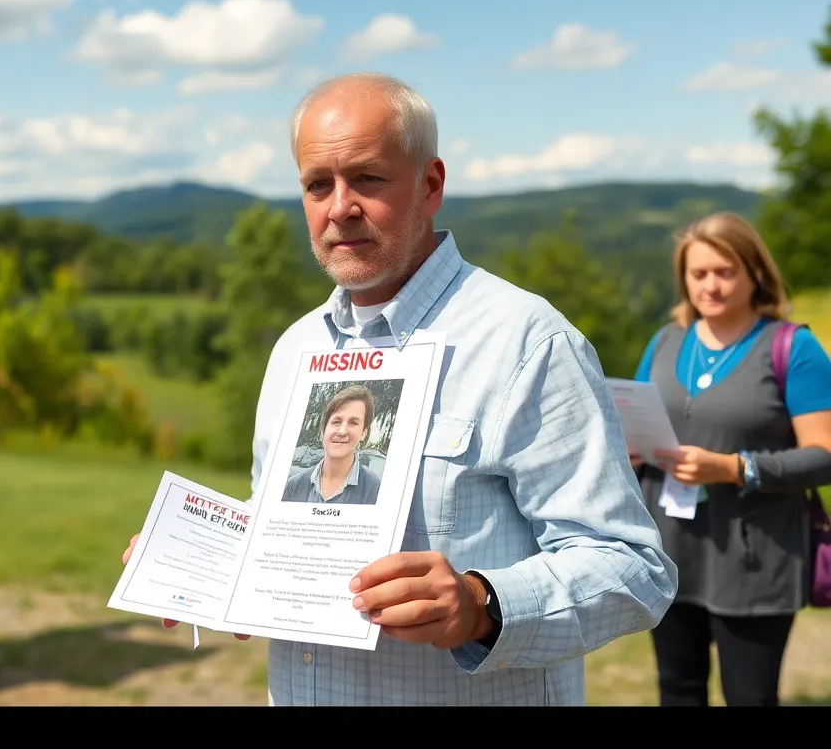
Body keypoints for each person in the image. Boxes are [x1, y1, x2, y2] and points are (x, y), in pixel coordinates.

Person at [122, 72, 676, 705]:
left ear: (431, 184)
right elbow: (289, 531)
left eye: (369, 178)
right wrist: (208, 560)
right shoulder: (295, 349)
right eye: (316, 185)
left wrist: (480, 604)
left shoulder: (527, 342)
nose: (339, 207)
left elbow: (634, 568)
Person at [628, 212, 831, 707]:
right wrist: (628, 454)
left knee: (751, 697)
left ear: (754, 273)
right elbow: (634, 420)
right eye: (699, 274)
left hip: (756, 559)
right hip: (671, 554)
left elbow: (825, 456)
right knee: (677, 691)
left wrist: (734, 468)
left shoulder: (793, 347)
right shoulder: (665, 342)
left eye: (725, 271)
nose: (711, 286)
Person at [282, 384, 382, 505]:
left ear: (363, 433)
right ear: (324, 428)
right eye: (336, 421)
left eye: (353, 423)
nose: (342, 431)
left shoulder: (377, 491)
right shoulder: (294, 485)